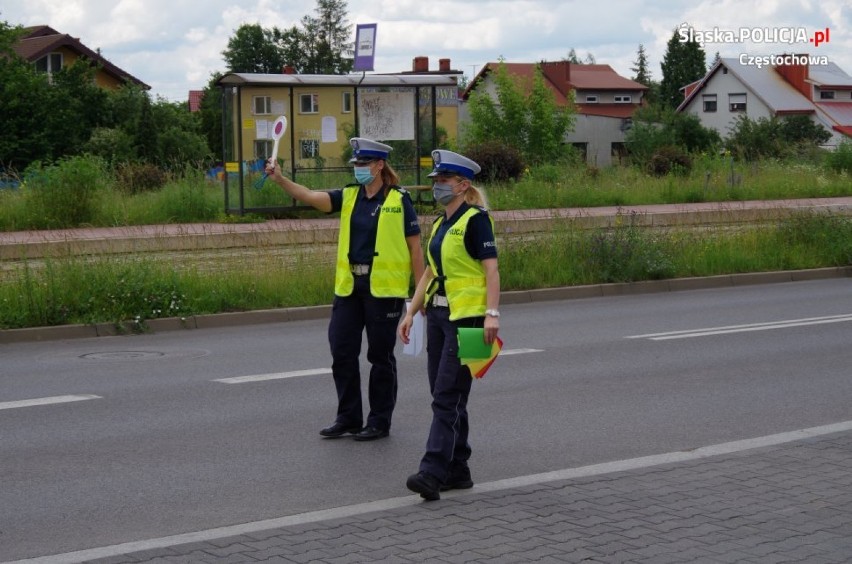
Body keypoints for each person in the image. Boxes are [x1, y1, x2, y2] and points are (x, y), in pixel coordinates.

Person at [264, 138, 425, 441]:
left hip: (383, 290)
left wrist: (418, 297)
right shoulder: (350, 196)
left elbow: (416, 250)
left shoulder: (399, 200)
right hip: (350, 287)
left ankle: (379, 421)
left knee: (380, 357)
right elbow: (311, 196)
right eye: (357, 165)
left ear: (379, 166)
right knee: (342, 352)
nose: (359, 169)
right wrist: (281, 179)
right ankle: (349, 417)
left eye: (364, 164)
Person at [398, 149, 500, 500]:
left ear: (462, 185)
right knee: (448, 396)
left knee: (446, 395)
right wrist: (411, 311)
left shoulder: (476, 220)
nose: (437, 186)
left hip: (470, 321)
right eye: (436, 181)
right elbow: (429, 271)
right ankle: (459, 469)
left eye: (443, 180)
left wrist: (492, 314)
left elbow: (491, 270)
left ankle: (432, 471)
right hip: (440, 318)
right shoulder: (442, 223)